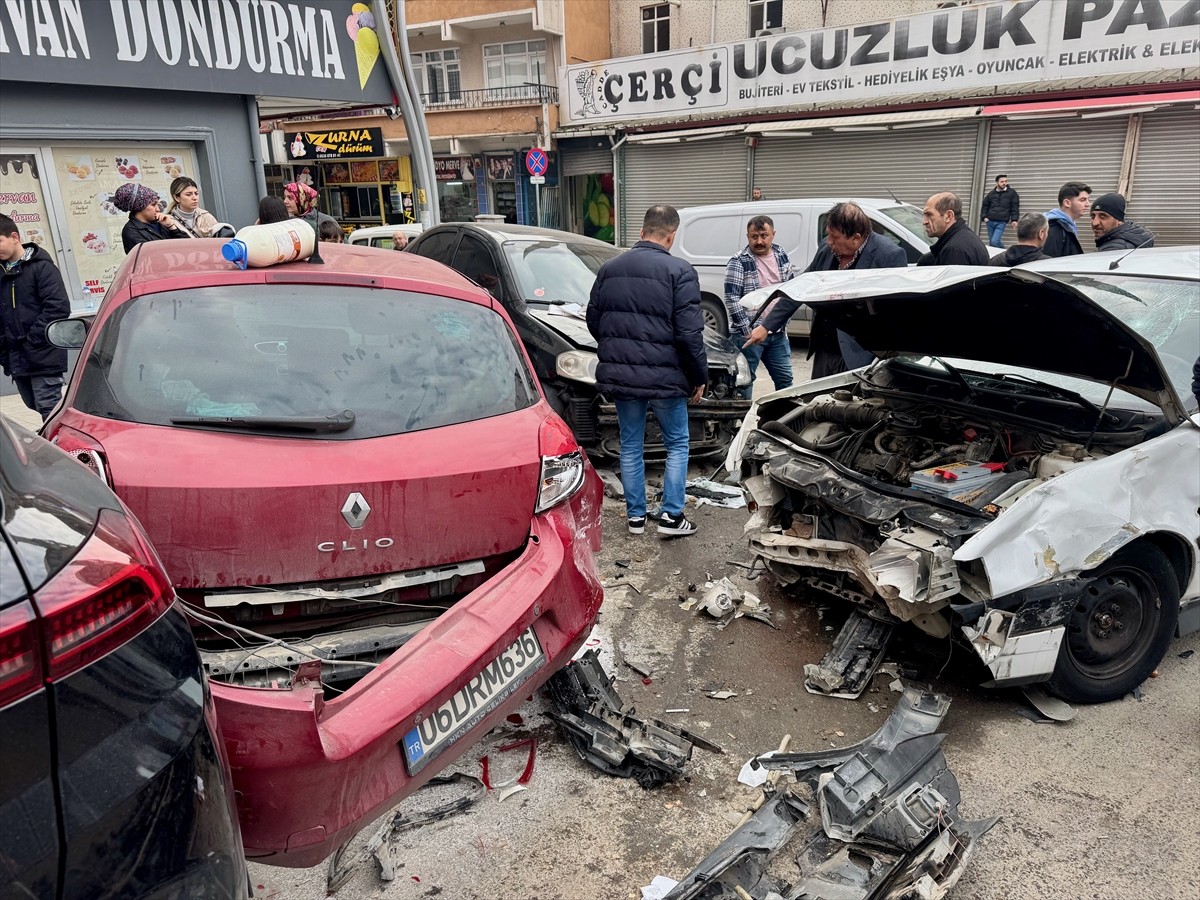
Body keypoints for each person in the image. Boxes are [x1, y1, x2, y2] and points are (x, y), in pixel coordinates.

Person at [586, 205, 706, 538]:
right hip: (667, 378)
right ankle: (671, 518)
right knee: (677, 444)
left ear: (641, 232)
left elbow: (594, 321)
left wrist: (621, 352)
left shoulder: (609, 269)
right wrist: (698, 376)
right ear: (671, 236)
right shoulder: (680, 271)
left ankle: (636, 518)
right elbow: (689, 334)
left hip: (624, 378)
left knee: (631, 445)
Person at [744, 202, 906, 378]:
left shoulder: (889, 255)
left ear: (856, 238)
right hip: (825, 349)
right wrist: (767, 326)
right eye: (828, 235)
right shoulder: (827, 249)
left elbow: (895, 314)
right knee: (818, 402)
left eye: (834, 237)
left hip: (861, 355)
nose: (829, 242)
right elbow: (801, 286)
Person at [0, 213, 70, 420]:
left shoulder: (42, 267)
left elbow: (58, 308)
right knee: (33, 403)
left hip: (42, 353)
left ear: (14, 237)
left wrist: (32, 340)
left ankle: (59, 449)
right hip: (15, 356)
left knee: (49, 407)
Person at [724, 215, 795, 397]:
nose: (759, 241)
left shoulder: (781, 255)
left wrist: (780, 323)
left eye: (764, 235)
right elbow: (732, 298)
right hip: (748, 335)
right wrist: (749, 330)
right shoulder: (739, 261)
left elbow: (791, 290)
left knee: (786, 382)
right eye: (754, 237)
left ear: (773, 234)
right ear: (747, 236)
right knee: (743, 383)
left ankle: (783, 422)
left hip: (777, 333)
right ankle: (739, 424)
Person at [112, 183, 190, 252]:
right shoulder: (131, 231)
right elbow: (151, 256)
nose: (158, 209)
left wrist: (171, 227)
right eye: (153, 204)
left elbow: (189, 245)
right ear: (139, 207)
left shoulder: (161, 222)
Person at [918, 192, 989, 266]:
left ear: (949, 216)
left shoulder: (954, 250)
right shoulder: (963, 238)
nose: (924, 222)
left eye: (929, 215)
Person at [1090, 193, 1155, 251]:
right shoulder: (1131, 235)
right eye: (1093, 216)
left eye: (1103, 216)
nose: (1095, 223)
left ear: (1119, 220)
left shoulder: (1114, 249)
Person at [1043, 181, 1091, 258]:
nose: (1088, 204)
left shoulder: (1068, 225)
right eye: (1082, 200)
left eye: (1088, 200)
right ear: (1067, 203)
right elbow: (1048, 262)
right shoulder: (1055, 228)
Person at [980, 174, 1020, 248]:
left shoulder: (1012, 193)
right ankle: (995, 258)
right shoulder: (991, 194)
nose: (1004, 183)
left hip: (1001, 221)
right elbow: (985, 206)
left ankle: (1004, 253)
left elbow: (1015, 207)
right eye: (1002, 181)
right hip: (990, 221)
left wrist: (1014, 220)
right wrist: (984, 217)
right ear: (997, 183)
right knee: (992, 244)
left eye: (1005, 181)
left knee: (994, 241)